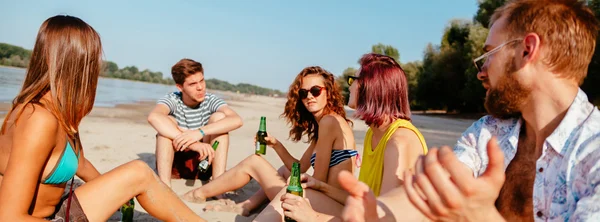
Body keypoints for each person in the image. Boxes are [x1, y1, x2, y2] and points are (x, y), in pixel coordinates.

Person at [338, 0, 600, 221]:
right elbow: (432, 190)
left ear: (527, 51)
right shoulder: (488, 132)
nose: (481, 72)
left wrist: (482, 217)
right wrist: (376, 210)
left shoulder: (593, 154)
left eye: (489, 54)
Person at [0, 15, 205, 222]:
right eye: (93, 60)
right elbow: (8, 217)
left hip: (58, 208)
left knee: (138, 173)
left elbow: (81, 164)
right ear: (77, 64)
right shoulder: (38, 119)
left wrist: (119, 193)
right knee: (139, 172)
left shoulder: (58, 112)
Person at [254, 53, 429, 221]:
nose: (349, 85)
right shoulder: (373, 135)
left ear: (372, 86)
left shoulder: (399, 141)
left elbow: (386, 218)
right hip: (362, 214)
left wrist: (314, 218)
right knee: (294, 196)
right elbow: (366, 203)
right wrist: (320, 186)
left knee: (289, 195)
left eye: (354, 80)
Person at [181, 66, 358, 216]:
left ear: (328, 91)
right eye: (304, 93)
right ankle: (247, 205)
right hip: (331, 203)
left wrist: (295, 185)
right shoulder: (326, 125)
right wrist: (276, 145)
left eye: (316, 91)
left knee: (254, 162)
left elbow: (318, 182)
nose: (309, 96)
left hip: (327, 208)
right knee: (282, 170)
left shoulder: (329, 122)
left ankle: (199, 193)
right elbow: (299, 167)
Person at [147, 58, 243, 187]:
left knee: (220, 118)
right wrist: (192, 143)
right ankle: (165, 187)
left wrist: (199, 132)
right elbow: (154, 117)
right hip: (176, 166)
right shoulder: (173, 99)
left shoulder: (210, 100)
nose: (200, 87)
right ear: (180, 87)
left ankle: (217, 185)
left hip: (205, 162)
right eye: (192, 84)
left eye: (202, 81)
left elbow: (236, 120)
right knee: (167, 122)